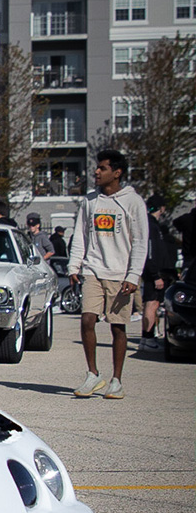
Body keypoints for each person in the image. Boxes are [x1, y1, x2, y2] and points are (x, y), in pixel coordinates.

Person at [70, 149, 148, 399]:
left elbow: (140, 241)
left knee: (118, 328)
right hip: (93, 269)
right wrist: (74, 265)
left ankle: (117, 380)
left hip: (120, 273)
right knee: (87, 320)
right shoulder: (90, 201)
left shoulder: (132, 202)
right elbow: (80, 235)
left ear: (117, 173)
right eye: (97, 167)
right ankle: (93, 374)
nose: (96, 172)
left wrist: (133, 275)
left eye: (103, 168)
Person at [141, 195, 178, 344]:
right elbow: (149, 252)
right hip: (154, 272)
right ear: (161, 208)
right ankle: (148, 337)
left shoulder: (153, 225)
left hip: (156, 271)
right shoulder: (151, 226)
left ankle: (148, 336)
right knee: (151, 303)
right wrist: (155, 274)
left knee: (154, 303)